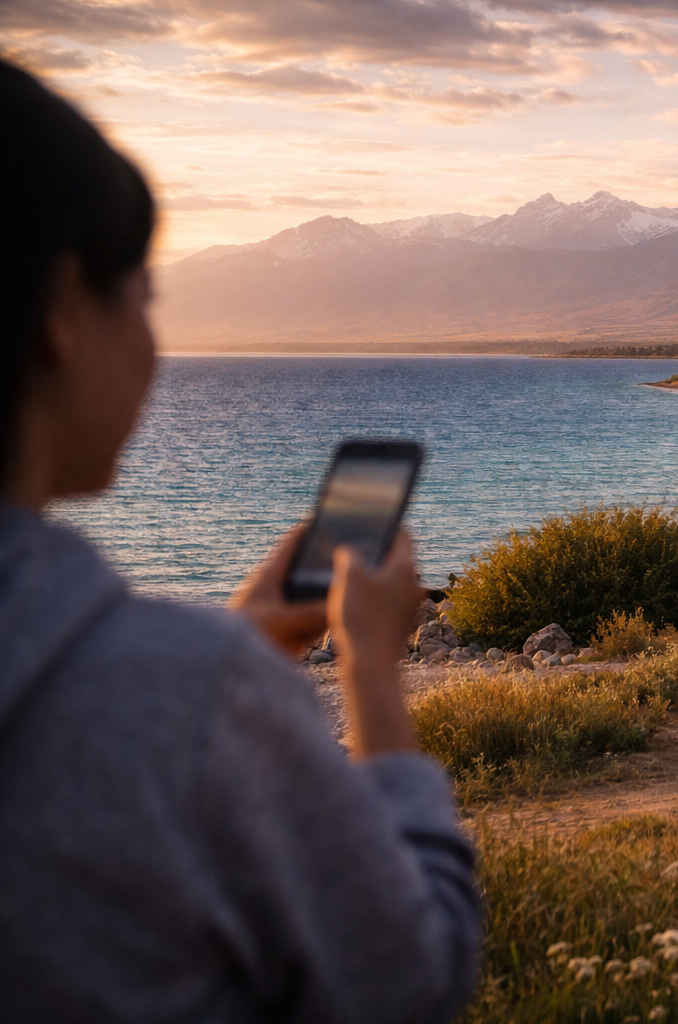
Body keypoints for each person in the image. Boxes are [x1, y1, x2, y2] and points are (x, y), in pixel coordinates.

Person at [0, 62, 480, 1018]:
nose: (151, 342)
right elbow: (411, 977)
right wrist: (372, 670)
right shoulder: (188, 698)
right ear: (62, 309)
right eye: (142, 296)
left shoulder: (191, 682)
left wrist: (244, 642)